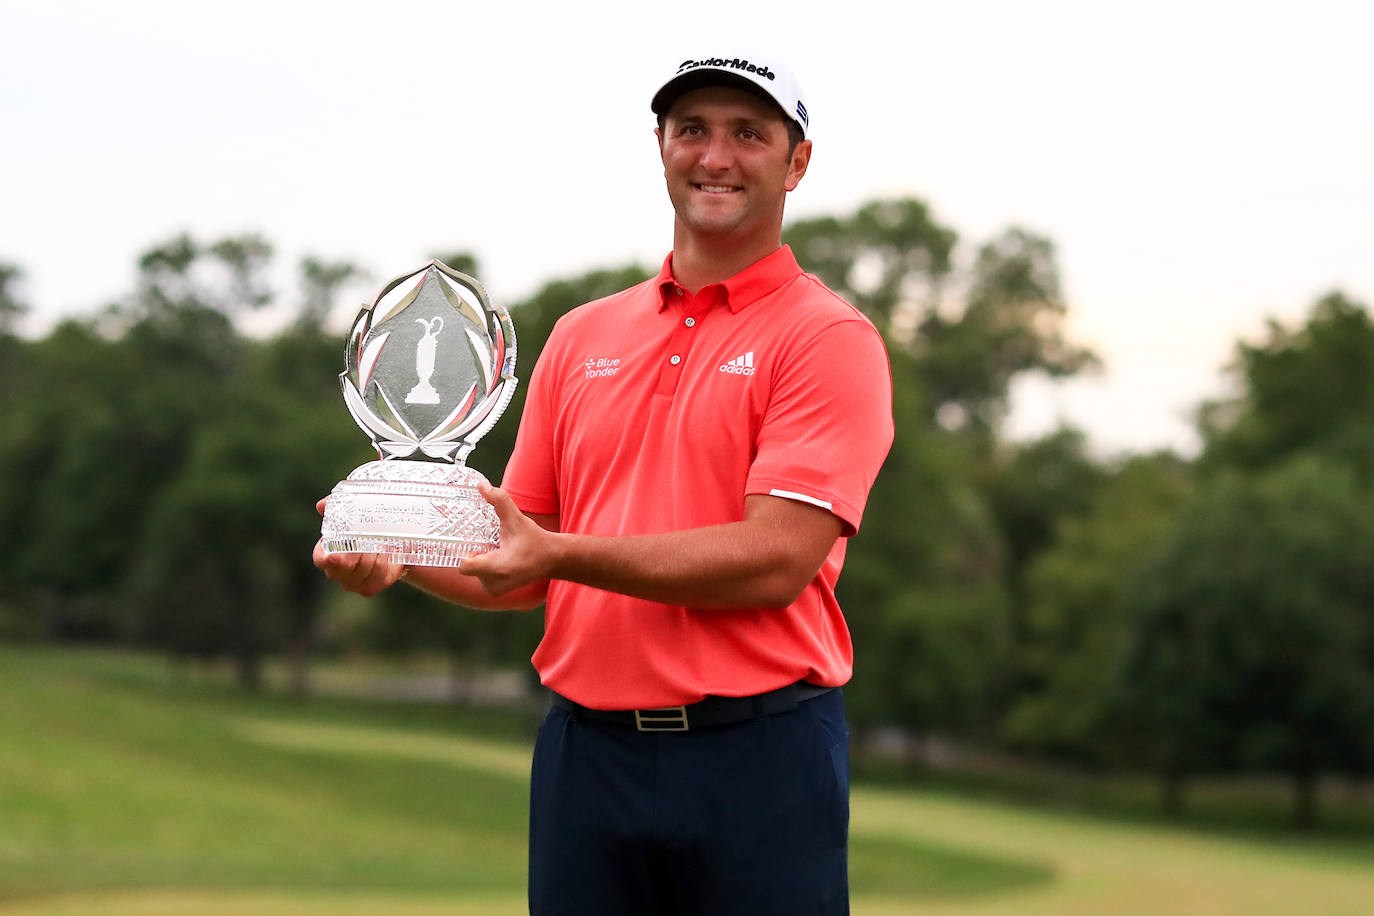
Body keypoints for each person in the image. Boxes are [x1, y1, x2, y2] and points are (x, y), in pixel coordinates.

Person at [315, 51, 894, 916]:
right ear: (660, 145)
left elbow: (777, 558)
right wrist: (400, 556)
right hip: (586, 756)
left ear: (796, 162)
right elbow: (521, 565)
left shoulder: (825, 337)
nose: (715, 157)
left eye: (748, 134)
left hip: (759, 756)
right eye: (691, 129)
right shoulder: (583, 335)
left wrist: (557, 553)